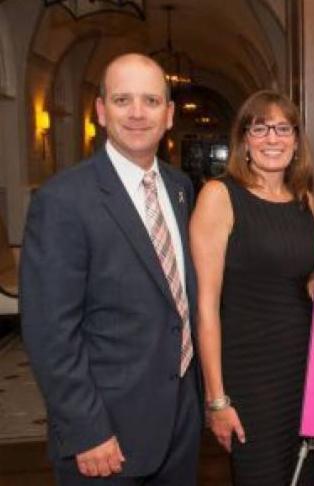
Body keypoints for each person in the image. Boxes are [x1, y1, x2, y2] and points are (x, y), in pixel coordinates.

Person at [20, 53, 201, 484]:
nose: (138, 113)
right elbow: (50, 333)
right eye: (123, 100)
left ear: (170, 114)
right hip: (106, 436)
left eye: (151, 101)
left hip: (180, 424)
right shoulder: (62, 200)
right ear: (102, 111)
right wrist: (87, 430)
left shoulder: (180, 188)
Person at [190, 90, 314, 486]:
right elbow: (207, 307)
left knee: (306, 476)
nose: (272, 138)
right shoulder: (219, 196)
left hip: (304, 371)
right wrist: (217, 400)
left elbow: (311, 287)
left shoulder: (305, 201)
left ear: (296, 141)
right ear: (244, 139)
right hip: (251, 374)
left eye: (283, 128)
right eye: (260, 128)